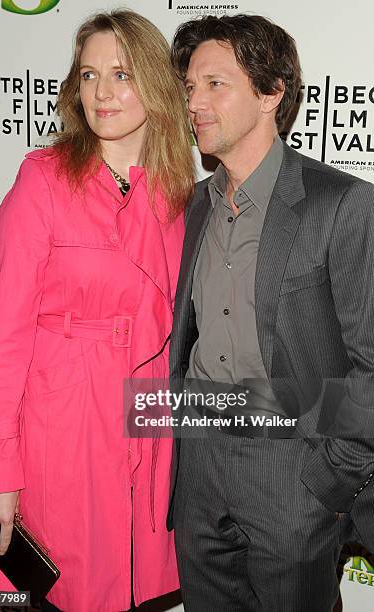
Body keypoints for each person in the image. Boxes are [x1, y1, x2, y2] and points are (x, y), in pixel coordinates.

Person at [0, 10, 194, 612]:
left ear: (154, 82)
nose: (102, 92)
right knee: (62, 591)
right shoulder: (43, 179)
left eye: (121, 74)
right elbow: (4, 339)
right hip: (61, 429)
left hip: (146, 424)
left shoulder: (179, 193)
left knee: (133, 590)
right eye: (89, 75)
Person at [167, 13, 374, 612]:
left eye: (215, 84)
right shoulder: (193, 209)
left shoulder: (341, 205)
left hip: (292, 467)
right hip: (200, 463)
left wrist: (327, 482)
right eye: (189, 88)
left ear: (271, 92)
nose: (195, 103)